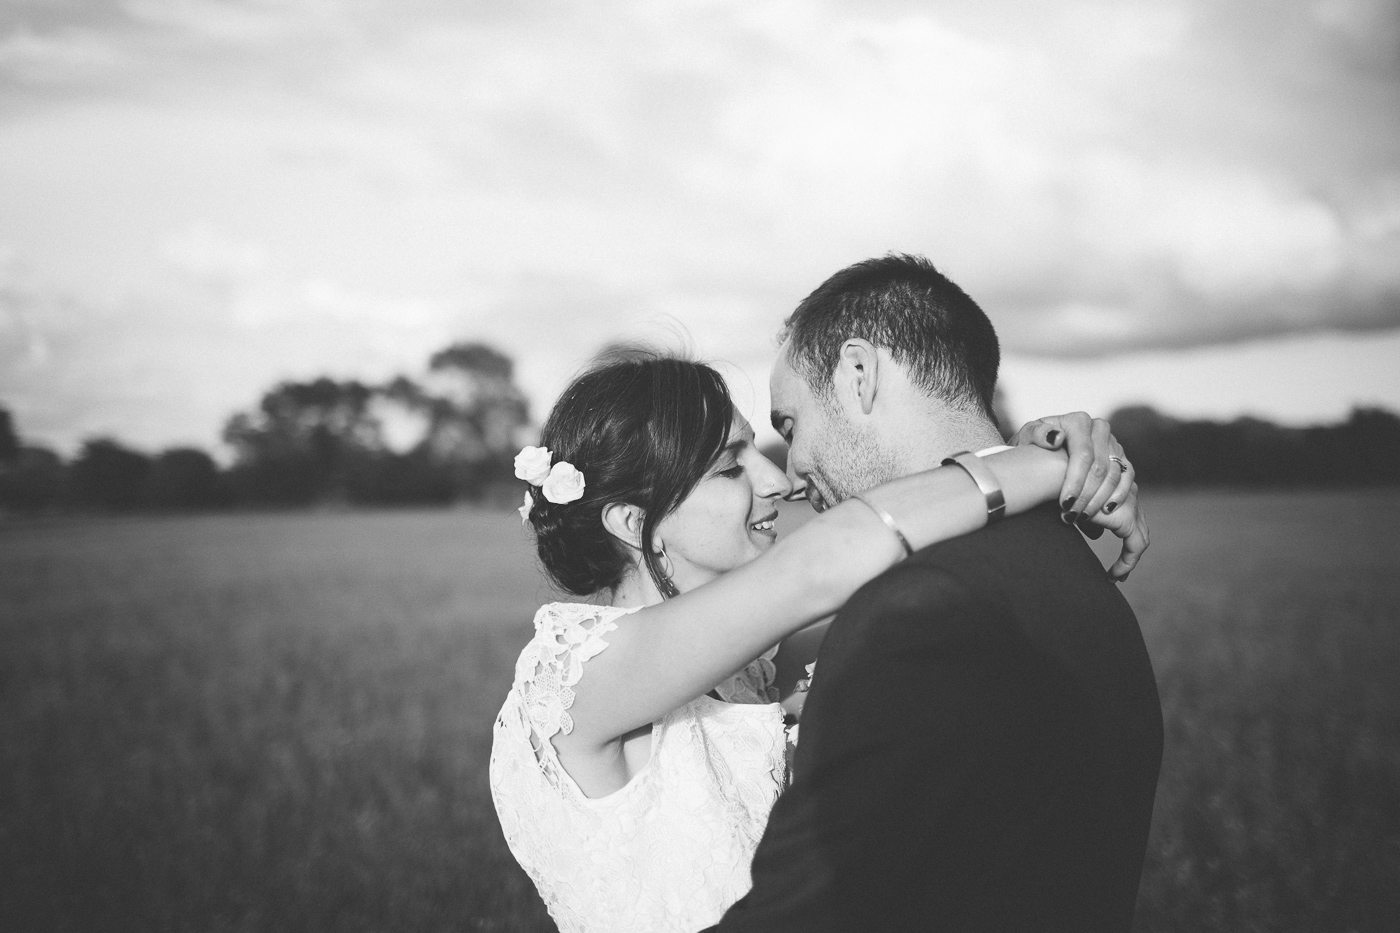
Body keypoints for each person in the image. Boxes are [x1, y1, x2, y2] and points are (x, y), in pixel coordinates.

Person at [490, 349, 1146, 933]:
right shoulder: (583, 676)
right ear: (636, 522)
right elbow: (823, 567)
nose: (777, 480)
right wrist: (1046, 465)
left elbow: (915, 594)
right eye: (729, 468)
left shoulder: (761, 667)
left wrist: (1041, 445)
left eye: (757, 450)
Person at [703, 254, 1163, 933]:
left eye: (791, 425)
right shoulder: (1070, 564)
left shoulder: (916, 613)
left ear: (859, 375)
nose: (792, 472)